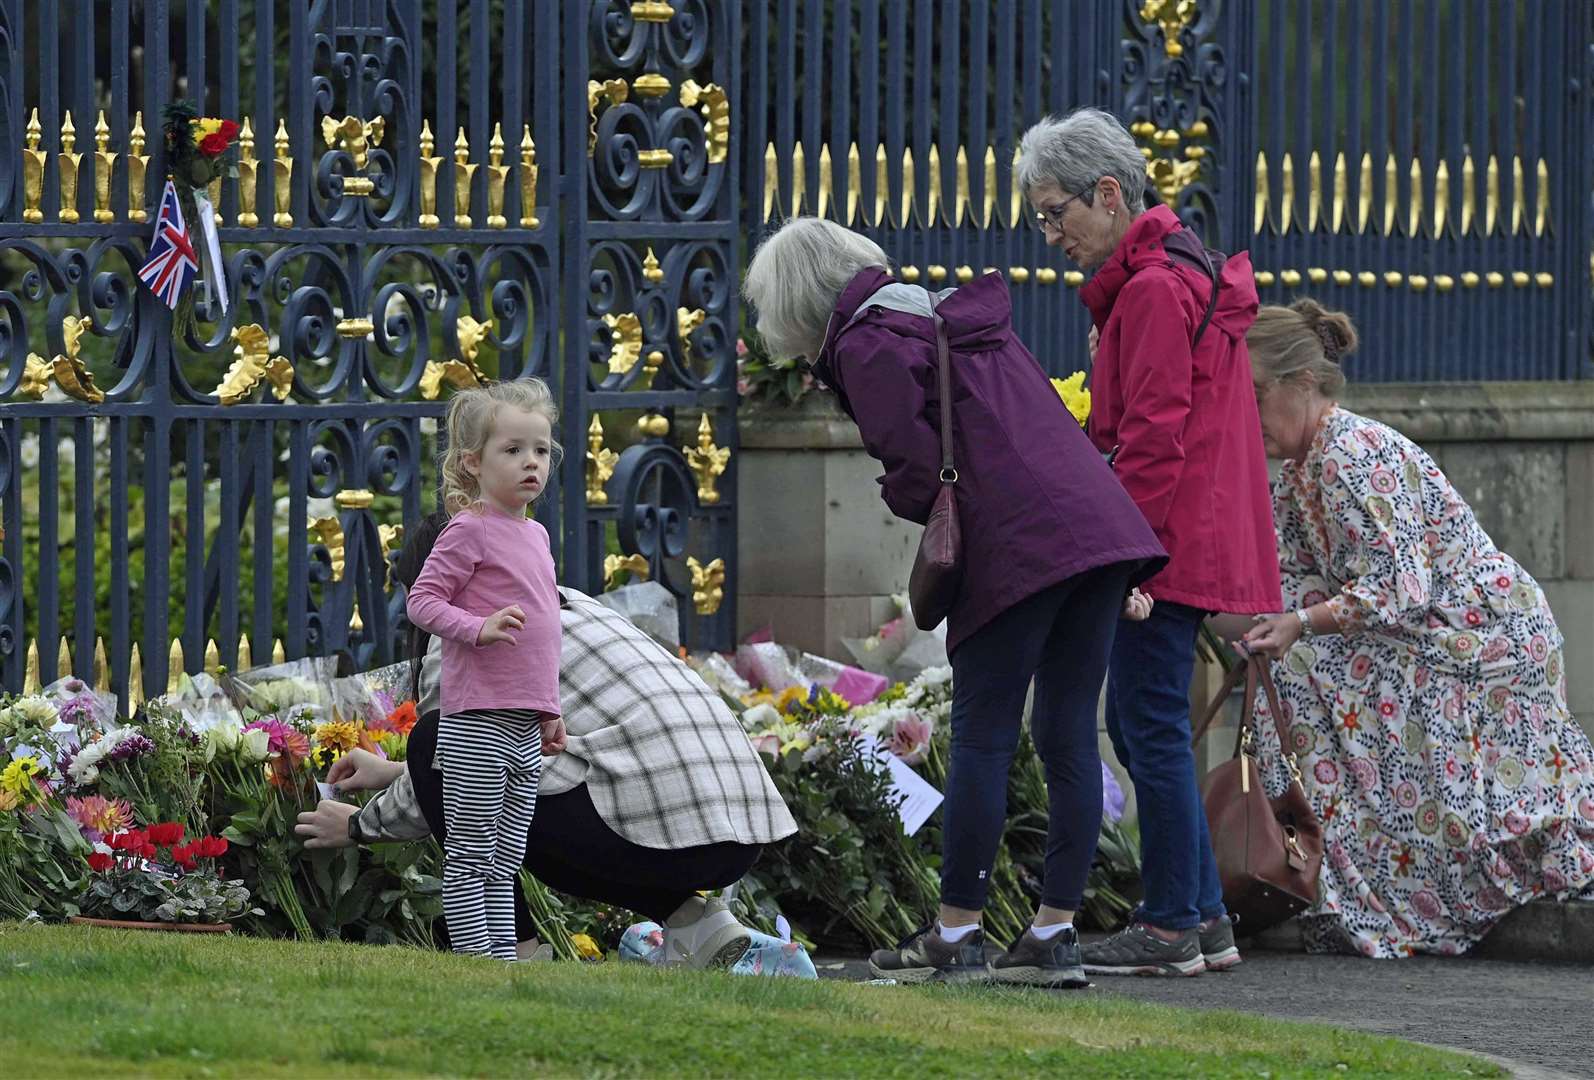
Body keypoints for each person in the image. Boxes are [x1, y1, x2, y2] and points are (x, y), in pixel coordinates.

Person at [743, 216, 1167, 987]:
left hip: (1018, 544)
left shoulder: (869, 345)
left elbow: (911, 466)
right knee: (1069, 732)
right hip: (1100, 529)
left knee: (982, 738)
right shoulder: (944, 314)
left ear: (798, 301)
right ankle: (1052, 934)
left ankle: (956, 932)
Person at [1233, 299, 1594, 958]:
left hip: (1481, 639)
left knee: (1312, 674)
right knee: (1293, 672)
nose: (1248, 415)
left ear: (1304, 382)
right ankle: (1351, 884)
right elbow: (1285, 582)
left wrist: (1298, 624)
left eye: (1255, 394)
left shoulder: (1354, 454)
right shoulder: (1298, 471)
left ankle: (1381, 891)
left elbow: (1401, 589)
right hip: (1428, 636)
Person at [1017, 107, 1282, 976]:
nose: (1050, 233)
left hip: (1165, 544)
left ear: (1107, 192)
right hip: (1188, 537)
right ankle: (1203, 920)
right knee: (1146, 728)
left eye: (1057, 212)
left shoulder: (1154, 289)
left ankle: (1171, 925)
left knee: (1149, 728)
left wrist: (1130, 560)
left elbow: (1155, 437)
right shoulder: (1172, 275)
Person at [295, 510, 797, 968]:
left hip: (666, 832)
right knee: (508, 786)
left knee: (435, 745)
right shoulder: (576, 605)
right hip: (741, 828)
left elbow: (454, 763)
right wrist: (394, 773)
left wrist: (359, 824)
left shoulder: (472, 641)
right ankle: (697, 922)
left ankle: (513, 952)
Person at [403, 379, 565, 960]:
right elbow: (421, 601)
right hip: (477, 722)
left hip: (524, 724)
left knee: (507, 857)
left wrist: (549, 709)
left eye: (541, 451)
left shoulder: (537, 535)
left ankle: (501, 960)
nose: (531, 463)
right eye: (513, 450)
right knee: (473, 856)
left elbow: (545, 635)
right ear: (473, 463)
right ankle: (479, 960)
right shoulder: (470, 528)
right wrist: (479, 627)